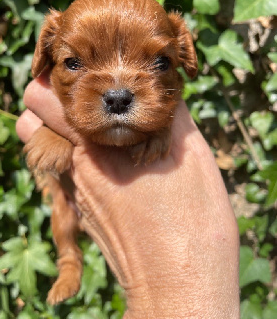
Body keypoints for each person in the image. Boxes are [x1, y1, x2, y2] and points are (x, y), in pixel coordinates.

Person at [16, 71, 240, 318]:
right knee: (63, 215)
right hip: (70, 197)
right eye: (76, 63)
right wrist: (54, 134)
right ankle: (69, 262)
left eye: (158, 63)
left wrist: (162, 127)